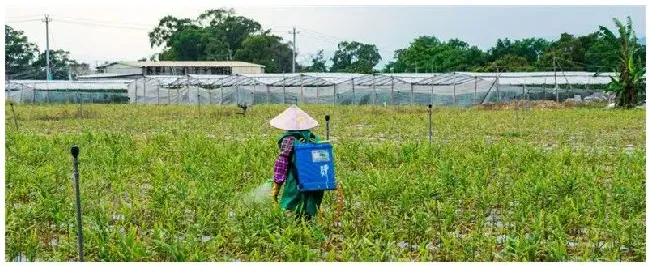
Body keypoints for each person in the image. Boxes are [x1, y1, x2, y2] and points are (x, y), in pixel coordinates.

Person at [270, 105, 324, 219]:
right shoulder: (315, 139)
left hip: (296, 182)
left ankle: (296, 233)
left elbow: (282, 163)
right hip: (316, 181)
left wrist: (277, 185)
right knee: (311, 209)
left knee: (291, 209)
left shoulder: (289, 139)